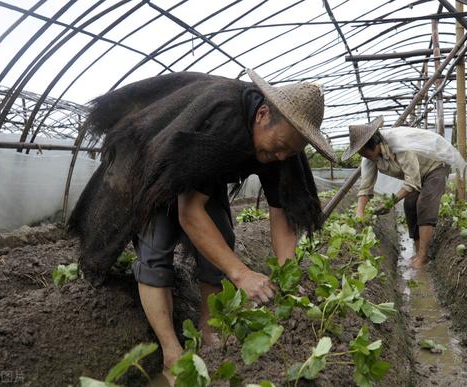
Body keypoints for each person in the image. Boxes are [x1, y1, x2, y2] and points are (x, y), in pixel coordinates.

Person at [68, 69, 336, 383]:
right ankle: (171, 353)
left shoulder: (286, 145)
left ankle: (210, 336)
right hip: (150, 161)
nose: (280, 155)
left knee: (221, 240)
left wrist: (286, 273)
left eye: (289, 151)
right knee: (156, 249)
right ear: (263, 115)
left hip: (200, 168)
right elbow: (189, 214)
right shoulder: (223, 119)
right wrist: (243, 273)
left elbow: (281, 213)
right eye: (278, 146)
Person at [341, 116, 464, 268]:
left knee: (424, 205)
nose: (363, 156)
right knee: (410, 204)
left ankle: (423, 256)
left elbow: (412, 181)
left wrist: (390, 202)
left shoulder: (399, 146)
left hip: (435, 167)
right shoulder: (369, 158)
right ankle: (418, 250)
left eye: (364, 152)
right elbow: (366, 186)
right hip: (417, 173)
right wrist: (359, 214)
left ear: (373, 144)